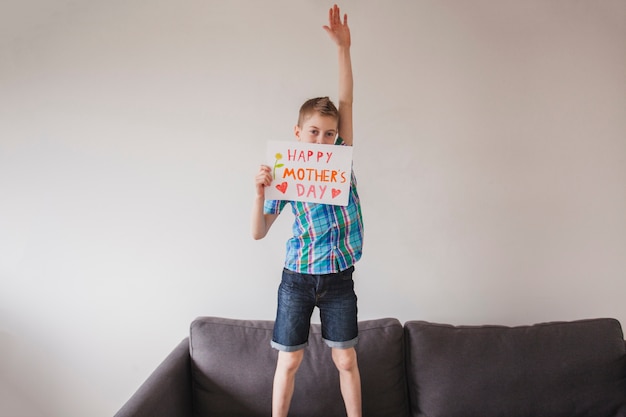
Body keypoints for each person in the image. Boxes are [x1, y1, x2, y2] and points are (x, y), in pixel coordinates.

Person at [251, 5, 363, 417]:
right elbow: (259, 232)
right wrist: (259, 192)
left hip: (338, 278)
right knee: (290, 359)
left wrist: (343, 49)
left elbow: (346, 99)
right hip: (296, 278)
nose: (322, 139)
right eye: (314, 131)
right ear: (298, 134)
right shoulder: (286, 173)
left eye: (329, 133)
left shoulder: (342, 161)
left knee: (346, 359)